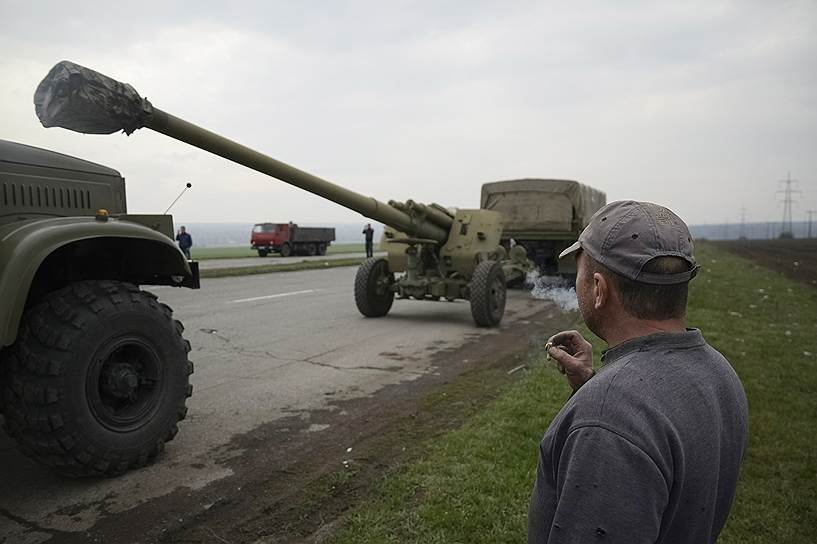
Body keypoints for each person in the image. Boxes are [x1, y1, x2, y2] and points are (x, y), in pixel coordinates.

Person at [528, 201, 748, 544]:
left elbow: (623, 426)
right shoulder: (718, 371)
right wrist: (590, 384)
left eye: (580, 274)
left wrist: (602, 402)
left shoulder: (608, 420)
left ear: (599, 290)